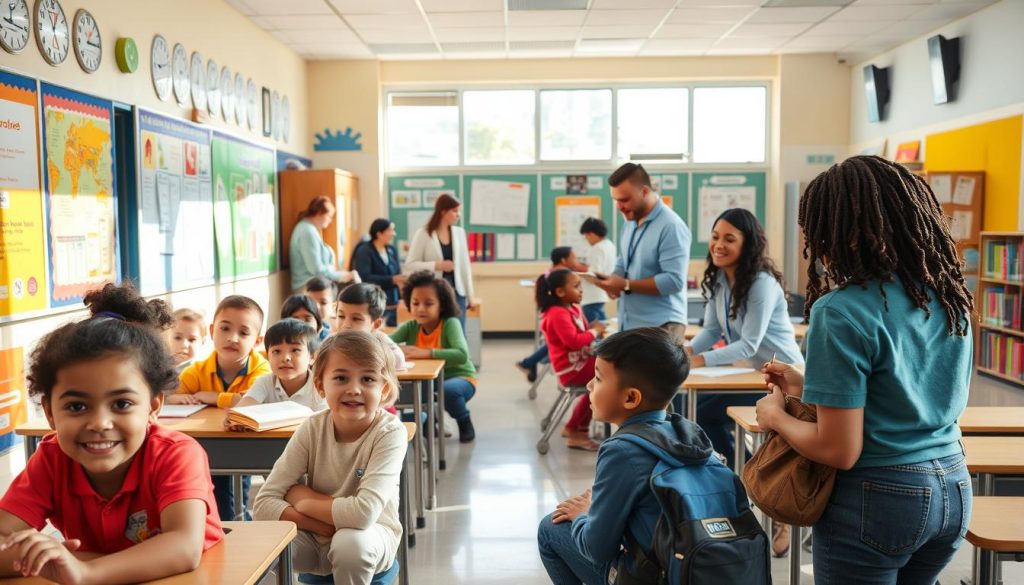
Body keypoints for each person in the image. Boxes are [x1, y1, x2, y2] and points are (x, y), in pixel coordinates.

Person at [755, 156, 974, 584]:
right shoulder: (947, 297)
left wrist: (775, 417)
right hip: (952, 487)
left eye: (819, 233)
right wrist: (806, 383)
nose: (818, 248)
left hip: (880, 495)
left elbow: (839, 449)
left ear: (844, 236)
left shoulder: (840, 311)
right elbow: (907, 388)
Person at [0, 283, 223, 582]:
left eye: (121, 403)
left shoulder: (176, 454)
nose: (99, 423)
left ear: (153, 406)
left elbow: (183, 547)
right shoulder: (52, 461)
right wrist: (46, 555)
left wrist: (85, 569)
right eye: (77, 407)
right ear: (51, 412)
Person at [537, 327, 700, 585]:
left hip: (658, 576)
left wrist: (584, 514)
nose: (589, 385)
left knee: (550, 528)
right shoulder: (691, 435)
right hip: (697, 568)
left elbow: (596, 549)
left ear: (631, 397)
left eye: (599, 379)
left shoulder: (621, 451)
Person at [253, 331, 406, 585]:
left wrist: (302, 499)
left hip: (370, 536)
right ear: (321, 385)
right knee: (264, 543)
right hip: (316, 535)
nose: (354, 389)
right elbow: (263, 505)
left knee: (348, 544)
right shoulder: (312, 427)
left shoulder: (390, 432)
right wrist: (319, 525)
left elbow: (364, 514)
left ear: (384, 388)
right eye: (341, 378)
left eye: (368, 379)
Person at [170, 295, 270, 521]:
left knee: (232, 494)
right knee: (214, 491)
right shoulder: (198, 370)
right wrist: (174, 399)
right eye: (225, 328)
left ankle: (238, 525)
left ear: (257, 340)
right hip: (208, 445)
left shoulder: (261, 369)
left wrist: (214, 397)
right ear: (213, 330)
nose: (232, 338)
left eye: (244, 333)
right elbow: (171, 395)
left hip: (247, 443)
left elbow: (253, 399)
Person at [592, 163, 691, 343]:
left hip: (662, 327)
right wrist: (613, 281)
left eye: (625, 199)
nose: (619, 207)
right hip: (631, 323)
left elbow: (674, 281)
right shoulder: (630, 222)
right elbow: (624, 260)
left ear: (644, 191)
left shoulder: (671, 226)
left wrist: (626, 284)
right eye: (616, 200)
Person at [390, 271, 477, 442]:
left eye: (428, 303)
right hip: (428, 382)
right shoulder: (411, 326)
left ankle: (464, 420)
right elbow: (385, 342)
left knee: (447, 391)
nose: (420, 308)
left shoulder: (450, 323)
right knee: (409, 392)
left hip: (461, 378)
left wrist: (426, 353)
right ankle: (427, 422)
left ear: (442, 305)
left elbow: (461, 354)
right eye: (415, 303)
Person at [536, 269, 606, 451]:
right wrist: (595, 331)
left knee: (606, 375)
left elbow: (582, 334)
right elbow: (574, 341)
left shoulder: (573, 308)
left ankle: (574, 427)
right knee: (609, 379)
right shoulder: (557, 313)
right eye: (576, 286)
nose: (581, 290)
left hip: (581, 363)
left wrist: (592, 330)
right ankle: (577, 432)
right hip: (571, 369)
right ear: (560, 292)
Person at [404, 194, 475, 330]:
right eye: (455, 211)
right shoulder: (424, 233)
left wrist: (470, 295)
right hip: (434, 294)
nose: (458, 215)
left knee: (459, 334)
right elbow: (410, 265)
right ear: (443, 211)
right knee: (437, 334)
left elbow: (465, 267)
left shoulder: (459, 233)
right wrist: (437, 265)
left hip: (457, 294)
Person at [228, 318, 325, 416]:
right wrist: (235, 419)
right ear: (267, 357)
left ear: (312, 357)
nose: (285, 358)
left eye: (295, 350)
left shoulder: (320, 386)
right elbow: (242, 409)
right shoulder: (265, 382)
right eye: (277, 351)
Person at [516, 246, 584, 383]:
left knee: (554, 342)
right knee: (559, 342)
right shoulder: (564, 275)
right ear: (564, 260)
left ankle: (530, 362)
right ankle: (530, 362)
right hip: (562, 318)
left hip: (554, 316)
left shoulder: (551, 273)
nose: (576, 261)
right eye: (573, 258)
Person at [289, 196, 357, 294]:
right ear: (319, 213)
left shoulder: (311, 230)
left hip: (314, 283)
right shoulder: (307, 232)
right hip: (308, 287)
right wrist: (338, 274)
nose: (330, 221)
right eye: (329, 216)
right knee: (353, 286)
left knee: (354, 281)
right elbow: (316, 270)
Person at [334, 283, 407, 373]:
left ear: (375, 324)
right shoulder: (333, 342)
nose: (346, 324)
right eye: (341, 316)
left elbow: (399, 359)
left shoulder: (380, 341)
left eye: (356, 319)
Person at [352, 218, 405, 327]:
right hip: (373, 301)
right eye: (390, 230)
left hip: (392, 302)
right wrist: (392, 280)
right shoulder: (364, 250)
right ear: (379, 234)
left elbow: (397, 273)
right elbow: (364, 277)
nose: (394, 234)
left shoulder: (391, 250)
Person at [578, 217, 616, 325]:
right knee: (601, 324)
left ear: (591, 234)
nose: (587, 239)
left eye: (586, 236)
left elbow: (594, 273)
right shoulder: (609, 245)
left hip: (592, 296)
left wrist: (577, 269)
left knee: (595, 328)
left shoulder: (597, 248)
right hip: (600, 293)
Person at [163, 307, 207, 375]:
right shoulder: (156, 372)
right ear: (167, 338)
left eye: (192, 340)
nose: (184, 345)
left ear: (203, 342)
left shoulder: (204, 374)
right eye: (178, 338)